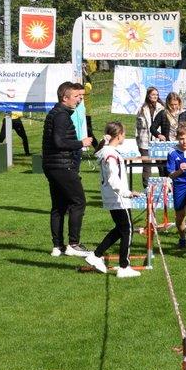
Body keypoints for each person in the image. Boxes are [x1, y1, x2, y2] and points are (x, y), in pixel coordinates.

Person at [83, 122, 142, 279]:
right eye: (124, 134)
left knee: (120, 229)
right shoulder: (110, 154)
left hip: (112, 197)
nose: (124, 136)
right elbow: (113, 178)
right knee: (128, 229)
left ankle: (96, 255)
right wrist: (127, 193)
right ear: (119, 135)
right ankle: (124, 266)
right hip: (118, 198)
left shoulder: (107, 151)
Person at [43, 81, 94, 259]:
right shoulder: (61, 116)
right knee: (78, 202)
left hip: (52, 166)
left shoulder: (56, 113)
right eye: (76, 96)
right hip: (62, 166)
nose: (79, 100)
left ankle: (57, 246)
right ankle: (74, 244)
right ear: (65, 98)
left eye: (80, 96)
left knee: (58, 206)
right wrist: (81, 143)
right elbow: (59, 142)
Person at [134, 86, 164, 183]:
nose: (155, 96)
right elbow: (137, 127)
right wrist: (138, 140)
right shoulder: (142, 109)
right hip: (144, 141)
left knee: (161, 165)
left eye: (157, 95)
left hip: (158, 141)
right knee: (147, 165)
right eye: (153, 94)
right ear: (148, 95)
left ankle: (165, 186)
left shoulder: (162, 108)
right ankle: (146, 186)